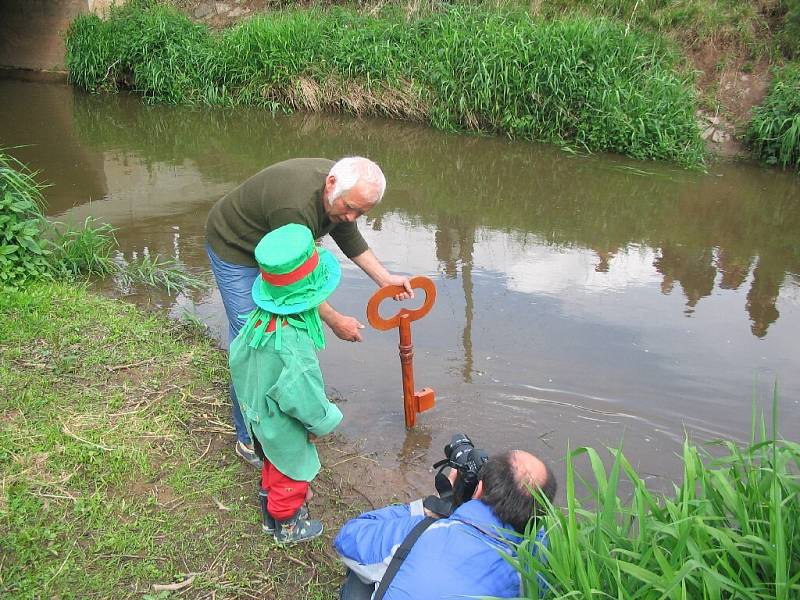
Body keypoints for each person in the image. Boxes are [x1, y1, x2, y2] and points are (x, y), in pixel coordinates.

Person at [205, 157, 413, 468]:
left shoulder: (341, 192)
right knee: (255, 338)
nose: (352, 216)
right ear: (331, 184)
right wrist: (335, 320)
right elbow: (296, 287)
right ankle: (249, 438)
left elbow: (346, 233)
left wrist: (385, 279)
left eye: (361, 212)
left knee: (281, 336)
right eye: (350, 207)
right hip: (237, 248)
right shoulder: (294, 209)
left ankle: (283, 413)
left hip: (278, 254)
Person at [229, 223, 344, 543]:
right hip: (281, 424)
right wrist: (324, 422)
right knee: (290, 478)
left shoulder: (258, 323)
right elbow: (303, 393)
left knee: (271, 467)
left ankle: (270, 518)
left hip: (258, 416)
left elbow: (237, 360)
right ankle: (288, 528)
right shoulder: (292, 343)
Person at [333, 450, 557, 600]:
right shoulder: (537, 564)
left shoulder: (420, 533)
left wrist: (430, 508)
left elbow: (349, 537)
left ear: (478, 489)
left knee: (363, 571)